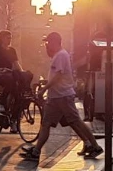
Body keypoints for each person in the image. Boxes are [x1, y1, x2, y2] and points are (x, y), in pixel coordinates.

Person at [21, 32, 102, 161]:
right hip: (55, 97)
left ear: (54, 42)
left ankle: (95, 146)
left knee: (76, 121)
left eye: (48, 42)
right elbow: (55, 76)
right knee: (46, 123)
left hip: (63, 96)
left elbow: (58, 76)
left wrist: (44, 89)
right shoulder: (58, 56)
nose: (47, 45)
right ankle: (36, 152)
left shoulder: (61, 55)